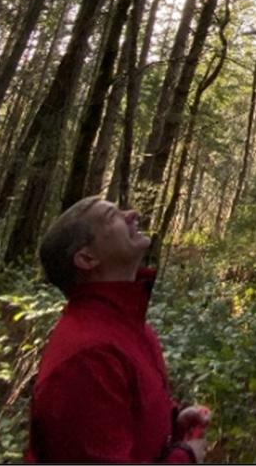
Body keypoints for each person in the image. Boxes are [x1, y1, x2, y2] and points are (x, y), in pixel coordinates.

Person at [25, 196, 211, 464]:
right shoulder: (87, 357)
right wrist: (185, 456)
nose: (132, 214)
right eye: (112, 216)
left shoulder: (133, 328)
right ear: (87, 258)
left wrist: (173, 422)